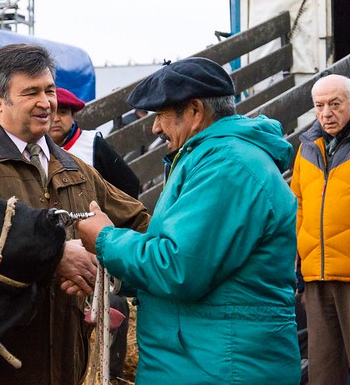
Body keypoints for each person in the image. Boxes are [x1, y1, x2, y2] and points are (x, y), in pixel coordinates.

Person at [0, 43, 150, 385]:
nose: (46, 102)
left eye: (49, 90)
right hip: (2, 357)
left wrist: (111, 257)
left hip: (72, 355)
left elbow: (139, 224)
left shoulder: (75, 168)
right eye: (31, 92)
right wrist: (54, 257)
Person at [76, 57, 301, 384]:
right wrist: (110, 269)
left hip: (220, 365)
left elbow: (179, 268)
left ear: (195, 112)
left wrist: (105, 239)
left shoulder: (227, 167)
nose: (154, 127)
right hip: (206, 356)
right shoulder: (213, 160)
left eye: (162, 115)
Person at [48, 86, 136, 381]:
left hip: (90, 241)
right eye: (54, 111)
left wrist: (105, 227)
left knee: (114, 303)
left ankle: (108, 372)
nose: (57, 119)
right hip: (54, 247)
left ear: (73, 116)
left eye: (64, 112)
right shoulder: (35, 149)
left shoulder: (91, 145)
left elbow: (128, 185)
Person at [291, 73, 350, 385]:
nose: (327, 113)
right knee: (323, 371)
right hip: (316, 276)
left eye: (335, 104)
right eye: (320, 106)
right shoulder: (306, 149)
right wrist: (299, 262)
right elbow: (298, 204)